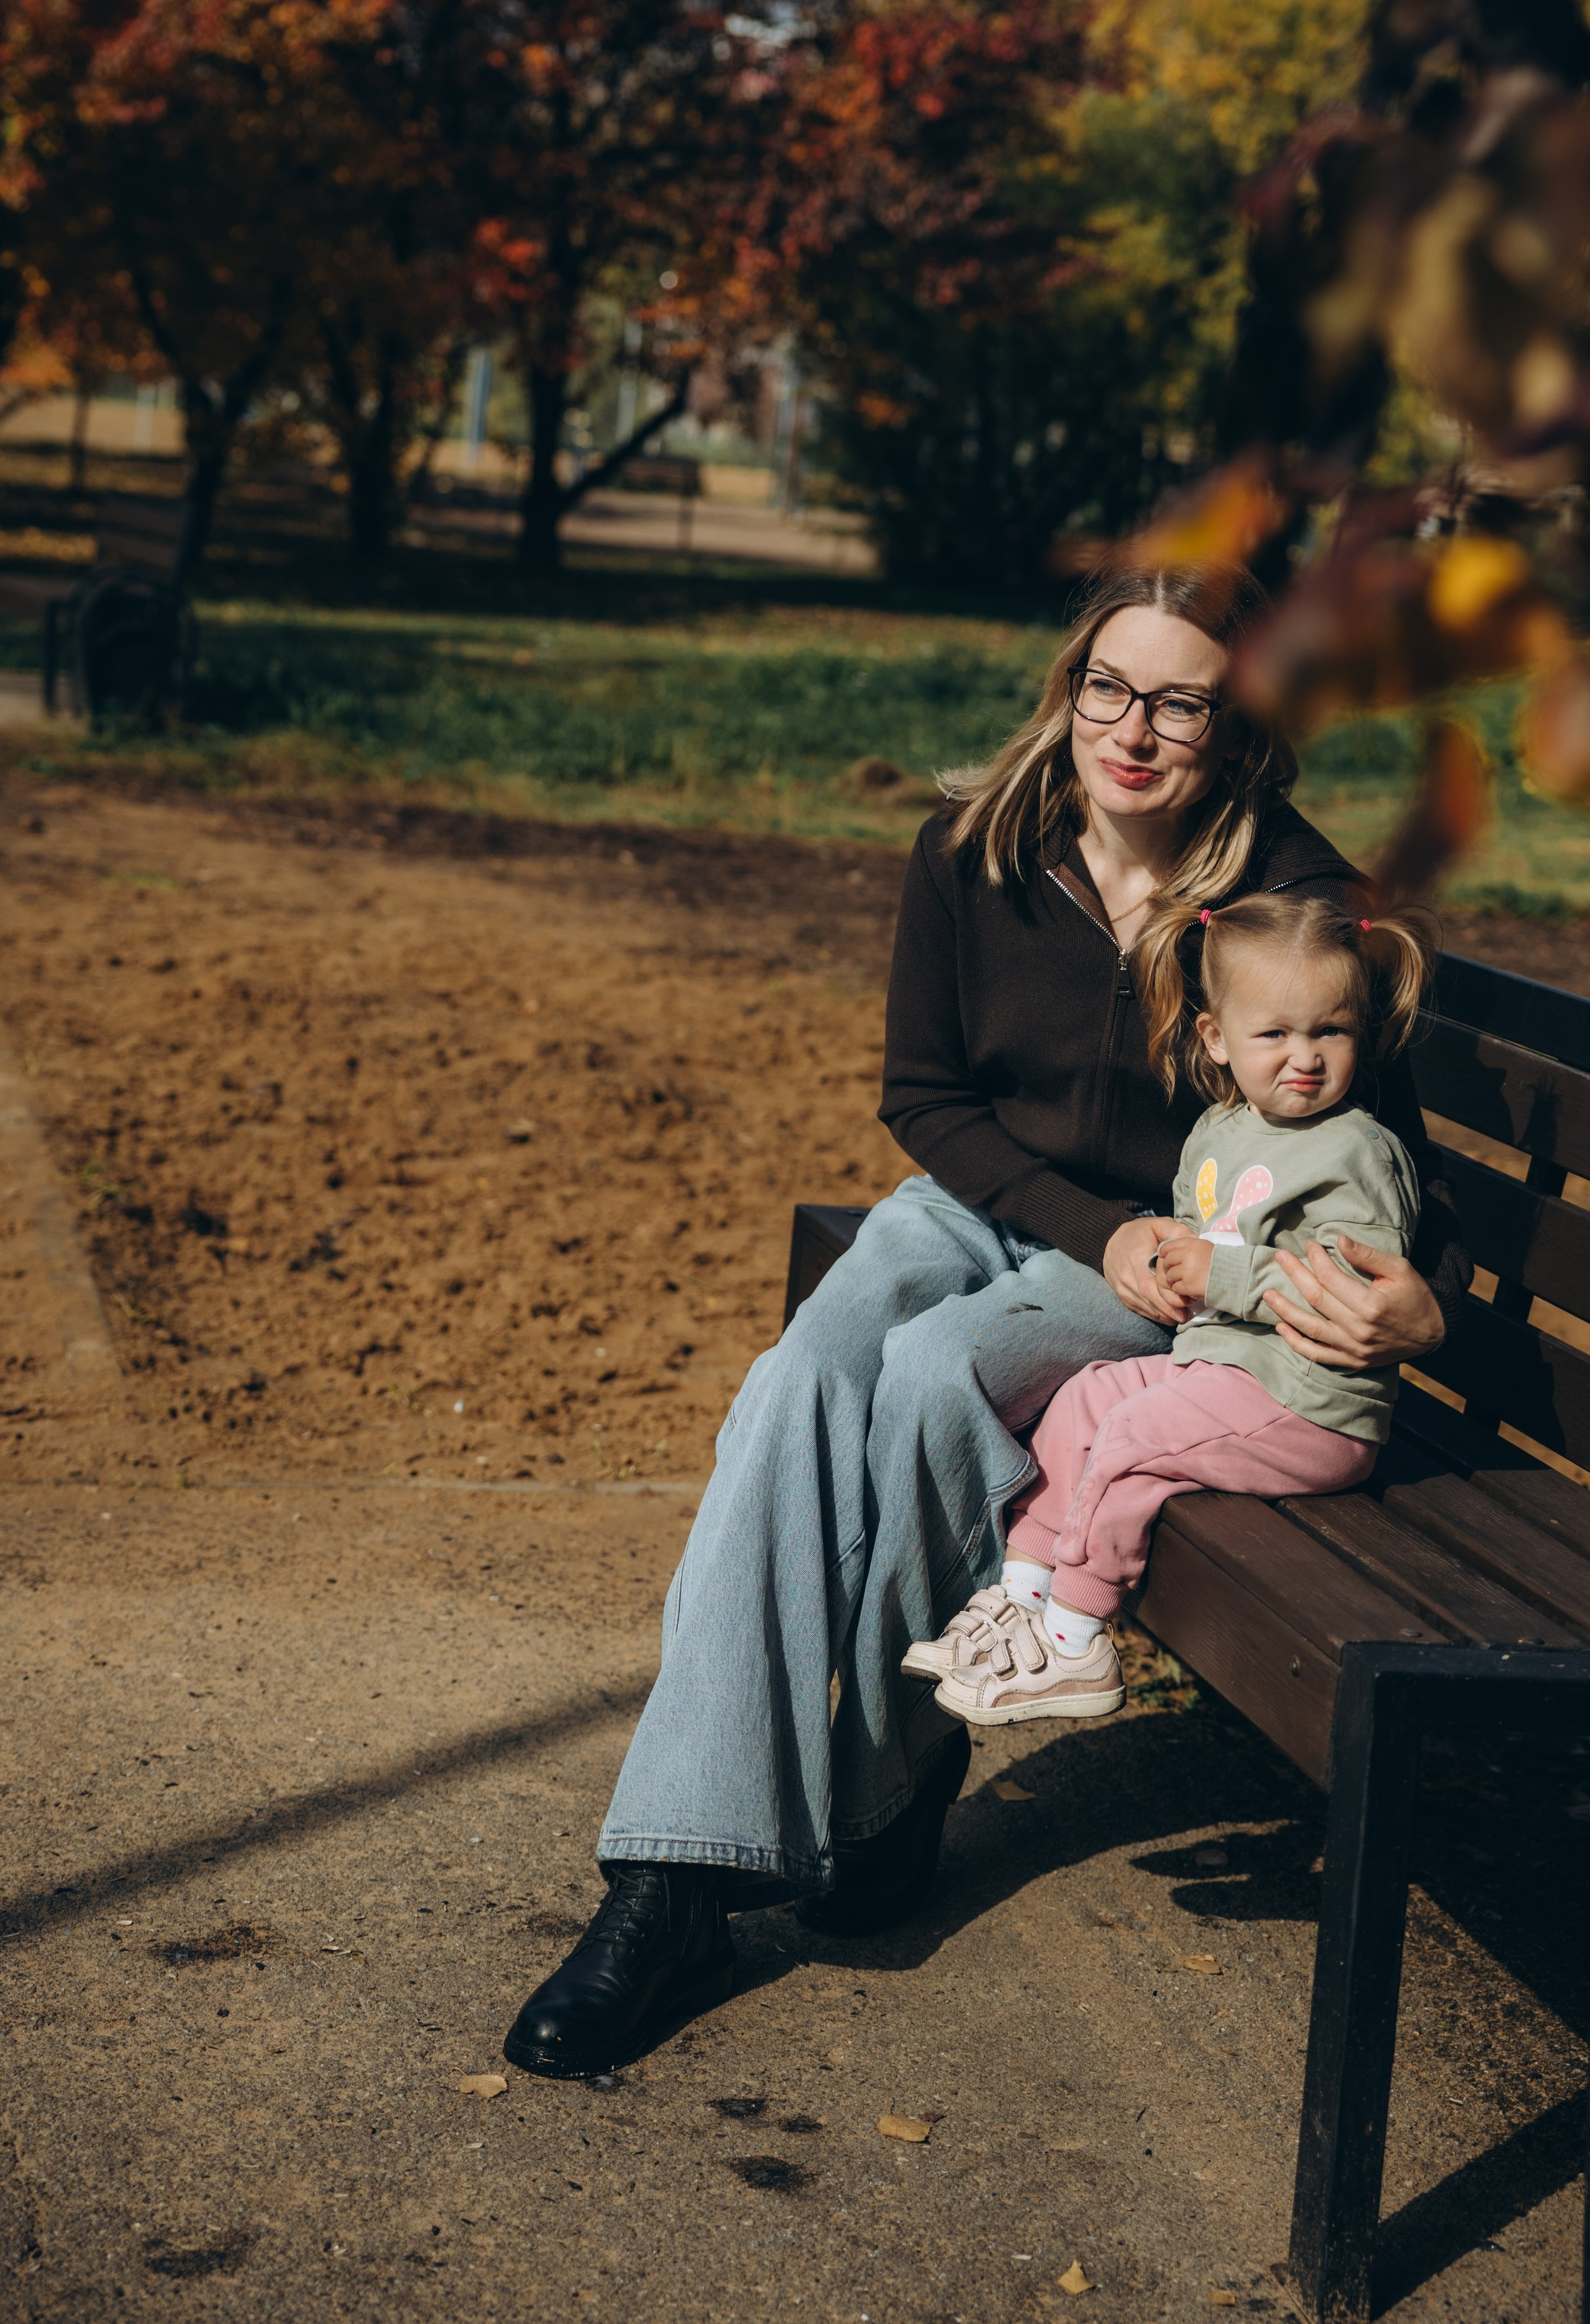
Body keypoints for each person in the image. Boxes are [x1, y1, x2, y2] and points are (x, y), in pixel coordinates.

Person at [502, 565, 1469, 2080]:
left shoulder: (1284, 891)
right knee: (799, 1385)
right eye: (1106, 685)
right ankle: (677, 1880)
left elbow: (1400, 1161)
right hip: (992, 1209)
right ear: (1065, 685)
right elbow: (923, 1097)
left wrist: (1425, 1301)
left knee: (938, 1378)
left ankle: (874, 1796)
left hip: (1157, 1267)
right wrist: (1085, 1218)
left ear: (1238, 731)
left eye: (1176, 701)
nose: (1130, 729)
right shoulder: (972, 847)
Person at [910, 888, 1435, 1726]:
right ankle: (1020, 1598)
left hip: (1311, 1406)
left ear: (1357, 1036)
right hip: (1228, 1374)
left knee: (1132, 1436)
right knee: (1084, 1399)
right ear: (1216, 1040)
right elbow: (1206, 1237)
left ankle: (1077, 1638)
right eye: (1275, 1034)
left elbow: (1348, 1284)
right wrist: (1168, 1260)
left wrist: (1219, 1274)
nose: (1303, 1057)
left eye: (1328, 1032)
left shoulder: (1355, 1151)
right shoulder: (1221, 1133)